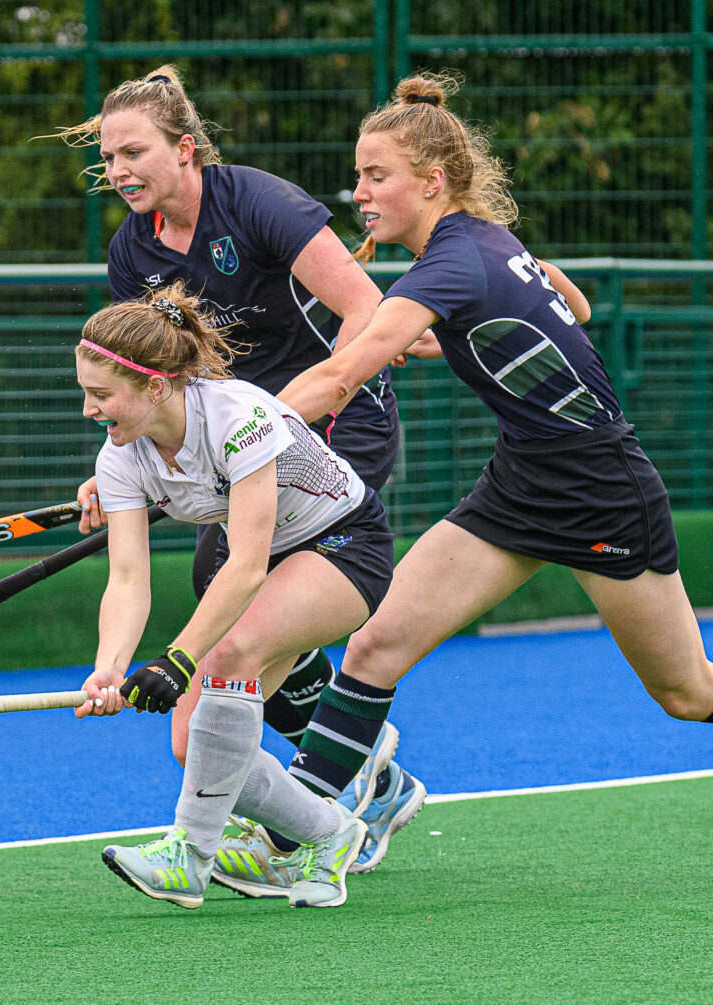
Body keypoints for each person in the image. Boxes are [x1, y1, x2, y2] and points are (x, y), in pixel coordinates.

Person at [273, 71, 713, 795]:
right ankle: (299, 832)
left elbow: (342, 374)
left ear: (432, 181)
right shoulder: (481, 241)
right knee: (375, 645)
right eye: (359, 176)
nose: (360, 194)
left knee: (688, 693)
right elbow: (573, 305)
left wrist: (242, 436)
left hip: (600, 488)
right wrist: (457, 334)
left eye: (377, 176)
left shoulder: (452, 262)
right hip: (520, 483)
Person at [52, 65, 429, 887]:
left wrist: (280, 423)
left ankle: (314, 803)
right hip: (238, 438)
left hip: (336, 419)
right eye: (107, 159)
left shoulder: (258, 203)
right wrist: (126, 454)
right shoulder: (132, 250)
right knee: (225, 608)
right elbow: (139, 378)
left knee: (244, 620)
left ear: (185, 149)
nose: (116, 171)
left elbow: (364, 310)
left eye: (132, 152)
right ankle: (360, 766)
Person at [73, 283, 394, 910]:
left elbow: (246, 565)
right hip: (265, 557)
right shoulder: (120, 459)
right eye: (85, 393)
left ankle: (188, 858)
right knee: (197, 748)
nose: (89, 409)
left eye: (101, 395)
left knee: (227, 657)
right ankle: (331, 834)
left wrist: (178, 658)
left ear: (155, 386)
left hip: (342, 544)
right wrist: (109, 667)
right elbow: (128, 580)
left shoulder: (236, 415)